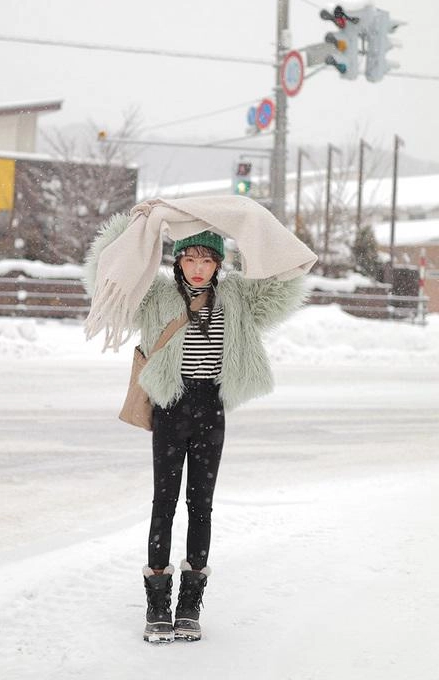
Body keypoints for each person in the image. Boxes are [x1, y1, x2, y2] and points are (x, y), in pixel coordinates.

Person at [84, 215, 309, 644]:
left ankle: (189, 605)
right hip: (171, 407)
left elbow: (285, 284)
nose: (199, 267)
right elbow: (106, 274)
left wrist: (254, 228)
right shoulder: (155, 298)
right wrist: (136, 227)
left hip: (212, 407)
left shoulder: (239, 298)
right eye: (190, 257)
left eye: (207, 258)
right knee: (164, 503)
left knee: (201, 505)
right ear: (178, 262)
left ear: (219, 263)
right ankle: (156, 605)